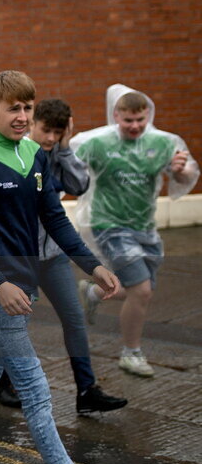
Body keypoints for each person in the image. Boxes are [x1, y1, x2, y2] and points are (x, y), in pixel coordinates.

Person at [0, 70, 130, 464]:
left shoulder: (33, 154)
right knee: (36, 392)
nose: (22, 117)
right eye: (13, 108)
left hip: (21, 286)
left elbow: (55, 217)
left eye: (28, 108)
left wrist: (93, 265)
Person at [0, 99, 127, 413]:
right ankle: (2, 384)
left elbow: (80, 185)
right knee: (15, 325)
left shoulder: (59, 153)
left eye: (57, 132)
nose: (50, 138)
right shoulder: (18, 154)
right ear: (32, 124)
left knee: (75, 320)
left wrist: (65, 148)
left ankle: (86, 391)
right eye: (46, 130)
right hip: (19, 258)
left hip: (53, 256)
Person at [72, 85, 199, 377]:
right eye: (128, 120)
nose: (135, 126)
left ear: (148, 115)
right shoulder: (96, 142)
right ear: (116, 115)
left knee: (140, 290)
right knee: (141, 291)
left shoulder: (164, 142)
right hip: (109, 224)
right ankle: (131, 353)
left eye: (140, 119)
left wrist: (181, 170)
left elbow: (185, 173)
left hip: (145, 227)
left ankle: (93, 293)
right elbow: (63, 158)